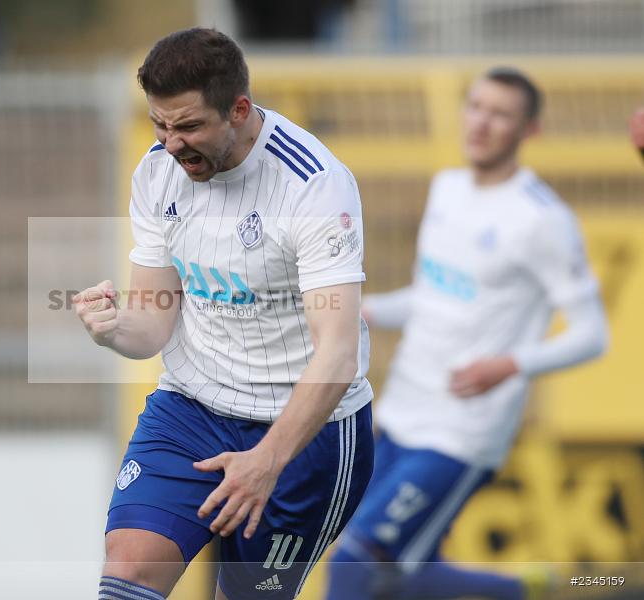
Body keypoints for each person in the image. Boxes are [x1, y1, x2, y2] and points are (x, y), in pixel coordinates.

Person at [74, 27, 374, 600]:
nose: (171, 144)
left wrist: (267, 460)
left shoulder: (314, 185)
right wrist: (114, 328)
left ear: (239, 110)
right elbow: (153, 323)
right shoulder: (157, 172)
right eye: (160, 125)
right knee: (129, 568)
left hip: (305, 434)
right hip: (191, 410)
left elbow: (336, 352)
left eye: (188, 127)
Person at [324, 67, 609, 600]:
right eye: (476, 107)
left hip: (461, 432)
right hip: (401, 411)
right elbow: (435, 296)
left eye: (500, 114)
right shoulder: (447, 188)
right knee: (400, 569)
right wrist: (366, 310)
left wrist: (509, 365)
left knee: (356, 560)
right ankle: (525, 590)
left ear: (529, 131)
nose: (481, 123)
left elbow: (593, 334)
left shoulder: (541, 219)